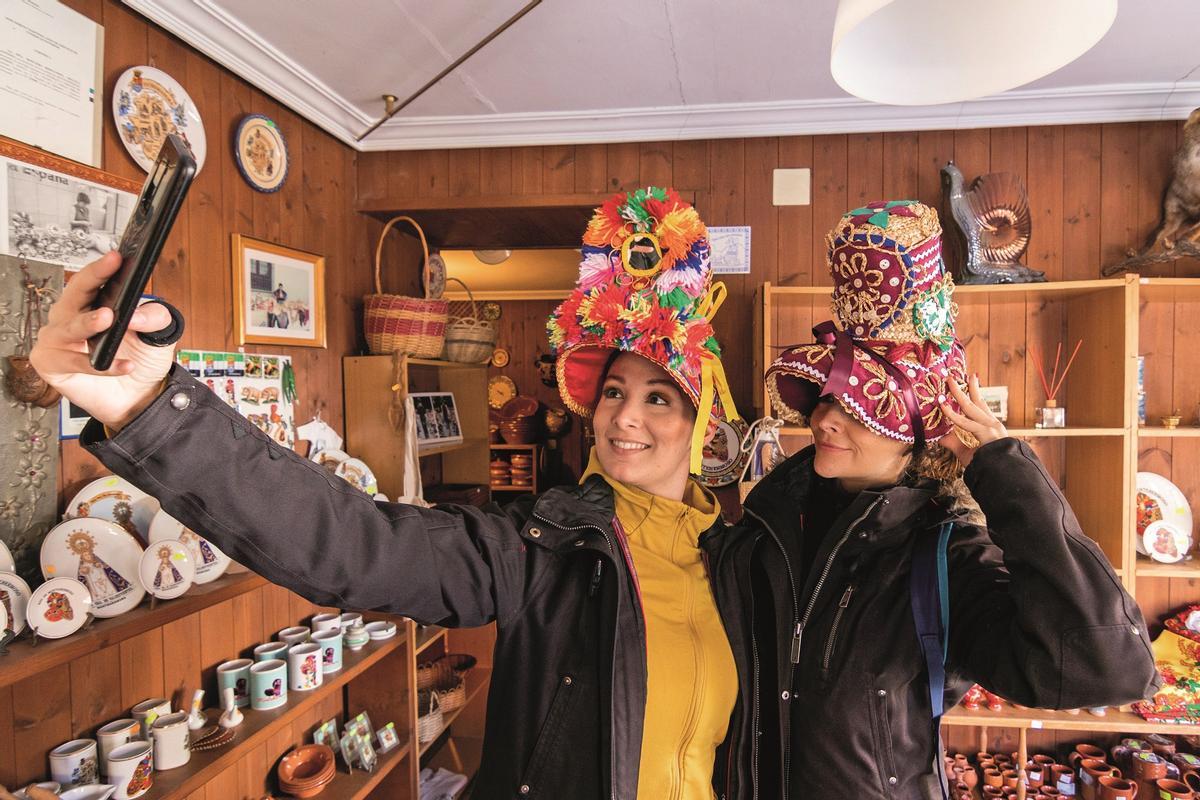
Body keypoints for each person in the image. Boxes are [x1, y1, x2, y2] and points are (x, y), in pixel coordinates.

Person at [31, 187, 768, 800]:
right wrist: (151, 408)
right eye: (612, 391)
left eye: (659, 398)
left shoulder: (739, 562)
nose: (624, 416)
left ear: (703, 413)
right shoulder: (542, 548)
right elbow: (351, 545)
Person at [736, 201, 1159, 799]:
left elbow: (1104, 667)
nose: (826, 419)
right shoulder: (769, 522)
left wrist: (1007, 472)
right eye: (827, 396)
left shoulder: (946, 556)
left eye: (859, 405)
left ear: (919, 429)